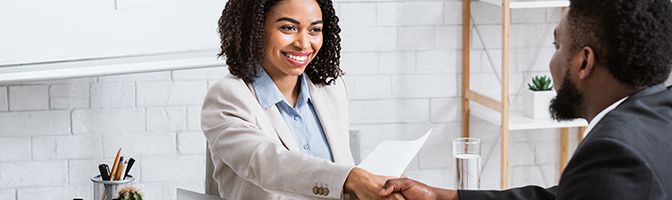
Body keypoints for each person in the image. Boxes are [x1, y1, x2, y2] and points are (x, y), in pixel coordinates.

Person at [379, 0, 672, 199]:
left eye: (557, 46)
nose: (552, 61)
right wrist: (448, 196)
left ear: (584, 63)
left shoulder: (614, 152)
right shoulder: (659, 116)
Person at [201, 0, 396, 199]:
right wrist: (352, 179)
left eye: (314, 30)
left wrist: (381, 187)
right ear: (255, 29)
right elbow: (267, 164)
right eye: (288, 28)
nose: (303, 43)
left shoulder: (331, 89)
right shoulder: (227, 97)